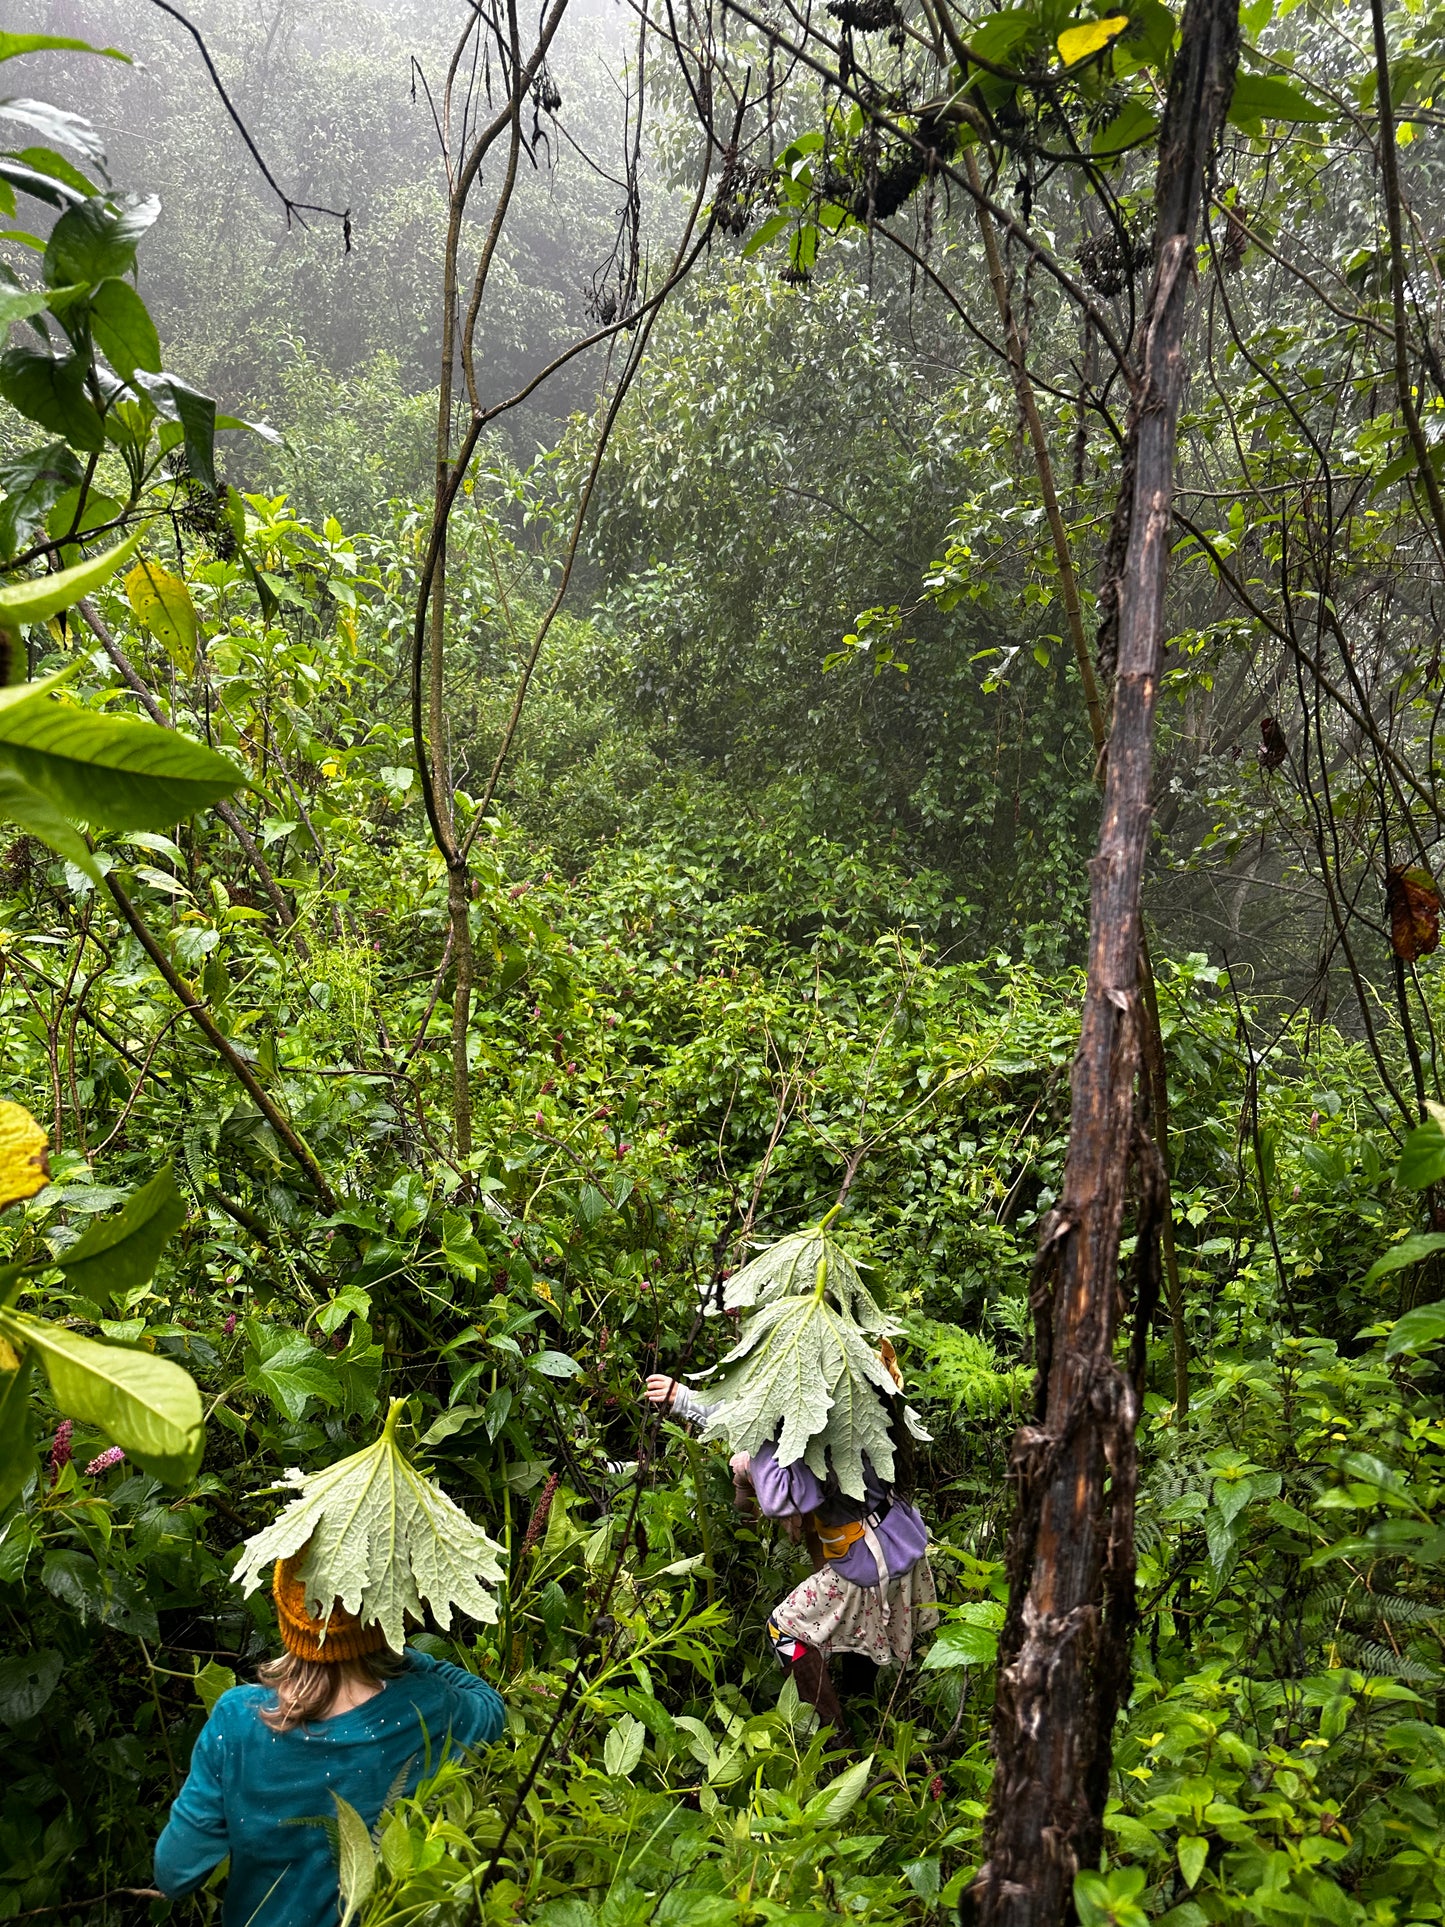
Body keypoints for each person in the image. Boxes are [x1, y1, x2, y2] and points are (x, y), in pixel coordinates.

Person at [154, 1554, 506, 1927]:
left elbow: (174, 1873)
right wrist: (401, 1655)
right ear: (388, 1609)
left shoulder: (237, 1720)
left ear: (289, 1610)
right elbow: (490, 1705)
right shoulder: (430, 1708)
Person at [644, 1361, 937, 1731]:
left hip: (868, 1558)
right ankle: (860, 1704)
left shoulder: (814, 1420)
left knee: (783, 1632)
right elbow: (753, 1418)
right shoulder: (858, 1390)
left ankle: (832, 1737)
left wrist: (749, 1466)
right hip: (898, 1536)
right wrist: (687, 1400)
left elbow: (782, 1497)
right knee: (855, 1625)